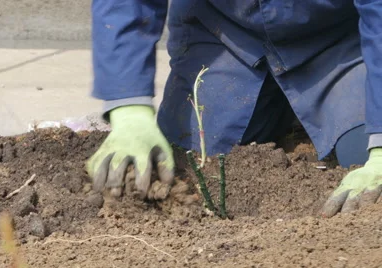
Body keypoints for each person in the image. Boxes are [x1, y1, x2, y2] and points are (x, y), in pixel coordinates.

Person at [86, 0, 382, 218]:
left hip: (338, 38)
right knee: (193, 160)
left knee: (362, 160)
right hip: (223, 34)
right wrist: (129, 107)